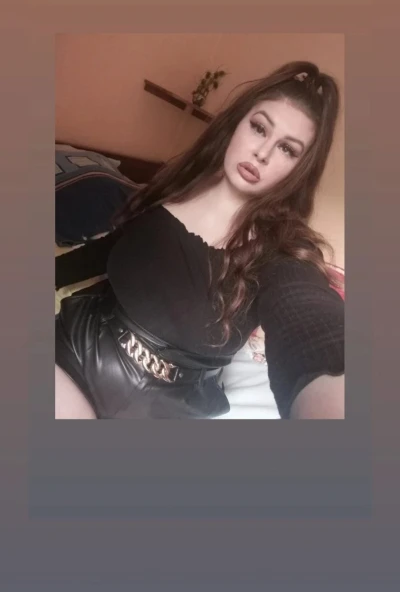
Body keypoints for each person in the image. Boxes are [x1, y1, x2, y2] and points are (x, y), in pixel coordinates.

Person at [55, 60, 345, 420]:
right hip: (75, 352)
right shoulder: (173, 186)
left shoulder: (284, 254)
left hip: (167, 407)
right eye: (259, 128)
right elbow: (110, 247)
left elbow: (310, 323)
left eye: (288, 149)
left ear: (300, 170)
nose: (263, 153)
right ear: (236, 124)